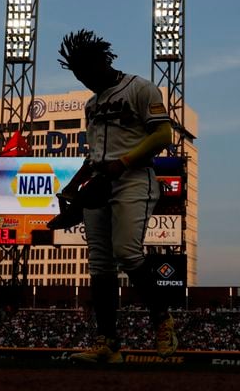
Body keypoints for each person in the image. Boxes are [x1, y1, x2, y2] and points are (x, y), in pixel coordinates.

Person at [56, 29, 176, 363]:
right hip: (98, 183)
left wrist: (121, 163)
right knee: (99, 264)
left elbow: (163, 134)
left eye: (86, 73)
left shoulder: (139, 88)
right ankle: (107, 343)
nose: (84, 82)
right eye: (79, 77)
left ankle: (162, 320)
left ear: (101, 61)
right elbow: (93, 156)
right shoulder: (91, 104)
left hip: (134, 178)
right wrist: (72, 186)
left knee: (126, 250)